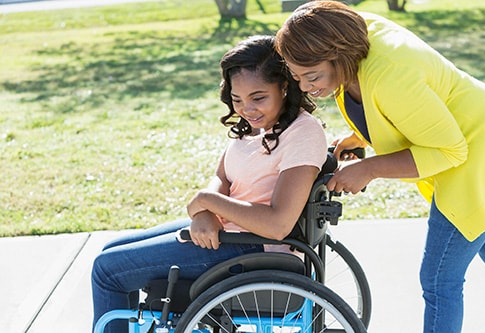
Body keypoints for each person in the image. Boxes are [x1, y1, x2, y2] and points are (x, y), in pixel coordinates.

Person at [274, 1, 485, 332]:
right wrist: (361, 137)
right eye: (297, 77)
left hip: (479, 154)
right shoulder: (351, 38)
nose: (307, 87)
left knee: (439, 281)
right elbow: (406, 111)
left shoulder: (391, 74)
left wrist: (370, 169)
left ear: (339, 55)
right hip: (482, 137)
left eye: (312, 76)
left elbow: (450, 150)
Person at [91, 35, 328, 333]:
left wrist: (208, 202)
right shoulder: (255, 129)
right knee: (111, 249)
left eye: (258, 98)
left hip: (253, 248)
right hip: (229, 232)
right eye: (237, 99)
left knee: (107, 270)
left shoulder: (302, 133)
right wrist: (204, 212)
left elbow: (279, 224)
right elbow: (223, 178)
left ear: (284, 86)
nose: (247, 109)